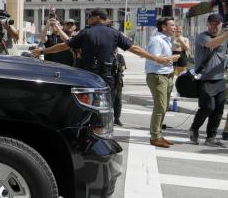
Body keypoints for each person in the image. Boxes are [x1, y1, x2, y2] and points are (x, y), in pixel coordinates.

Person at [31, 8, 171, 125]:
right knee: (106, 107)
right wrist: (155, 58)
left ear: (97, 18)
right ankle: (103, 129)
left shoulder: (86, 32)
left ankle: (86, 129)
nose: (87, 19)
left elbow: (63, 46)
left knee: (85, 105)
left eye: (89, 17)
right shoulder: (115, 33)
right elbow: (134, 48)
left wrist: (43, 50)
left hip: (87, 75)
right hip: (107, 75)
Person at [188, 14, 228, 146]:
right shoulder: (203, 36)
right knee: (207, 107)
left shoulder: (224, 37)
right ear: (207, 24)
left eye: (217, 24)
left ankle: (211, 137)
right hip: (206, 79)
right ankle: (194, 128)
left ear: (221, 25)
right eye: (212, 23)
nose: (214, 26)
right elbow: (213, 44)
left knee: (218, 110)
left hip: (220, 79)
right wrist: (227, 33)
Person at [144, 17, 179, 148]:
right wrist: (172, 58)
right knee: (160, 107)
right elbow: (154, 59)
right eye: (172, 25)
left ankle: (158, 134)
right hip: (158, 76)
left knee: (163, 107)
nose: (175, 27)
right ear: (163, 27)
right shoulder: (157, 40)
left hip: (167, 76)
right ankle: (155, 136)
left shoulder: (166, 40)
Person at [113, 52, 126, 126]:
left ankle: (117, 119)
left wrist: (120, 67)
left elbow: (124, 67)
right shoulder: (107, 54)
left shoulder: (120, 56)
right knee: (110, 101)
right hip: (110, 81)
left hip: (118, 82)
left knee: (118, 101)